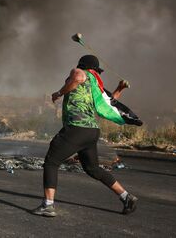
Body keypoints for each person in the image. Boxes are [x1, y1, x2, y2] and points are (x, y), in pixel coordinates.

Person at [31, 55, 138, 217]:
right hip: (91, 131)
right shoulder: (96, 88)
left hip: (76, 128)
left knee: (51, 162)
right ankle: (126, 197)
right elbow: (110, 103)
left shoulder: (80, 72)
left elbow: (79, 76)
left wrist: (59, 93)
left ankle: (48, 205)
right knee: (92, 168)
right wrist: (120, 88)